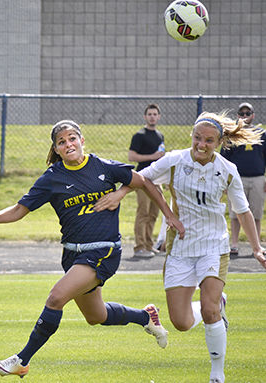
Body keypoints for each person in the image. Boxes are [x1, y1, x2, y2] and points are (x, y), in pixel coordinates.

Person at [0, 120, 185, 378]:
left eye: (72, 139)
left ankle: (21, 360)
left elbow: (145, 181)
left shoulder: (103, 166)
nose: (68, 144)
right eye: (62, 142)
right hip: (73, 254)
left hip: (103, 251)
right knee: (97, 316)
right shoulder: (52, 178)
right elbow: (18, 210)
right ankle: (145, 316)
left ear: (82, 141)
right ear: (57, 149)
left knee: (56, 297)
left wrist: (139, 202)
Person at [95, 111, 266, 383]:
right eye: (197, 138)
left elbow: (243, 211)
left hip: (213, 245)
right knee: (181, 322)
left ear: (219, 143)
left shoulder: (227, 170)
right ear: (192, 136)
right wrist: (122, 194)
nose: (201, 144)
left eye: (209, 141)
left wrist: (256, 248)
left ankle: (217, 374)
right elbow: (142, 177)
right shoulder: (175, 160)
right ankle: (218, 303)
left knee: (209, 311)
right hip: (181, 248)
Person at [220, 103, 266, 257]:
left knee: (256, 213)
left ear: (253, 115)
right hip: (236, 179)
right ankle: (234, 244)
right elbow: (223, 160)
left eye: (248, 113)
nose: (245, 116)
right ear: (237, 115)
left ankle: (256, 245)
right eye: (242, 113)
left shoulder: (262, 133)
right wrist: (225, 181)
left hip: (258, 178)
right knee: (235, 214)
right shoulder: (232, 134)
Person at [128, 103, 165, 258]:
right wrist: (152, 157)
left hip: (157, 181)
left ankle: (149, 245)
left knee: (153, 214)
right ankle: (139, 247)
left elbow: (162, 158)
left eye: (155, 114)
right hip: (143, 179)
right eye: (149, 114)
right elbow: (132, 156)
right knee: (143, 213)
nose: (152, 117)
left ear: (159, 116)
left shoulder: (160, 136)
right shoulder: (139, 135)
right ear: (145, 117)